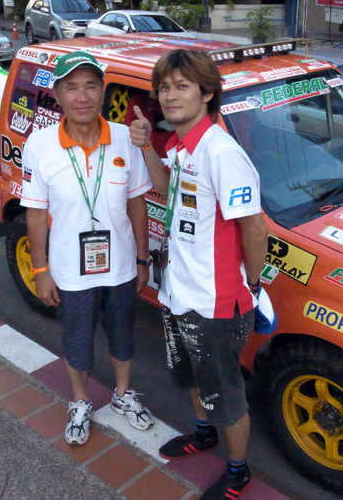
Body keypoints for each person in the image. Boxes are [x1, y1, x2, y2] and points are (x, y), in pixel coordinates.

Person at [129, 49, 269, 500]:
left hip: (216, 304)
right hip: (178, 293)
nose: (170, 96)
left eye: (182, 86)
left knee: (225, 395)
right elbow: (166, 189)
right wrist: (146, 146)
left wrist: (251, 285)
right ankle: (204, 434)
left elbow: (255, 227)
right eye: (164, 87)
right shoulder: (180, 146)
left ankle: (238, 470)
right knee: (190, 377)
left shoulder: (221, 153)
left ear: (207, 94)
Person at [21, 51, 155, 446]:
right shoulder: (40, 144)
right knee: (77, 341)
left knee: (123, 336)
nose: (82, 97)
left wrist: (142, 259)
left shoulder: (124, 138)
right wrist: (41, 271)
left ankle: (122, 394)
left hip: (121, 266)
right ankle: (80, 401)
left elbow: (137, 203)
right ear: (57, 95)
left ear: (102, 91)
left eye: (91, 86)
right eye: (72, 88)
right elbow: (35, 214)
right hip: (69, 270)